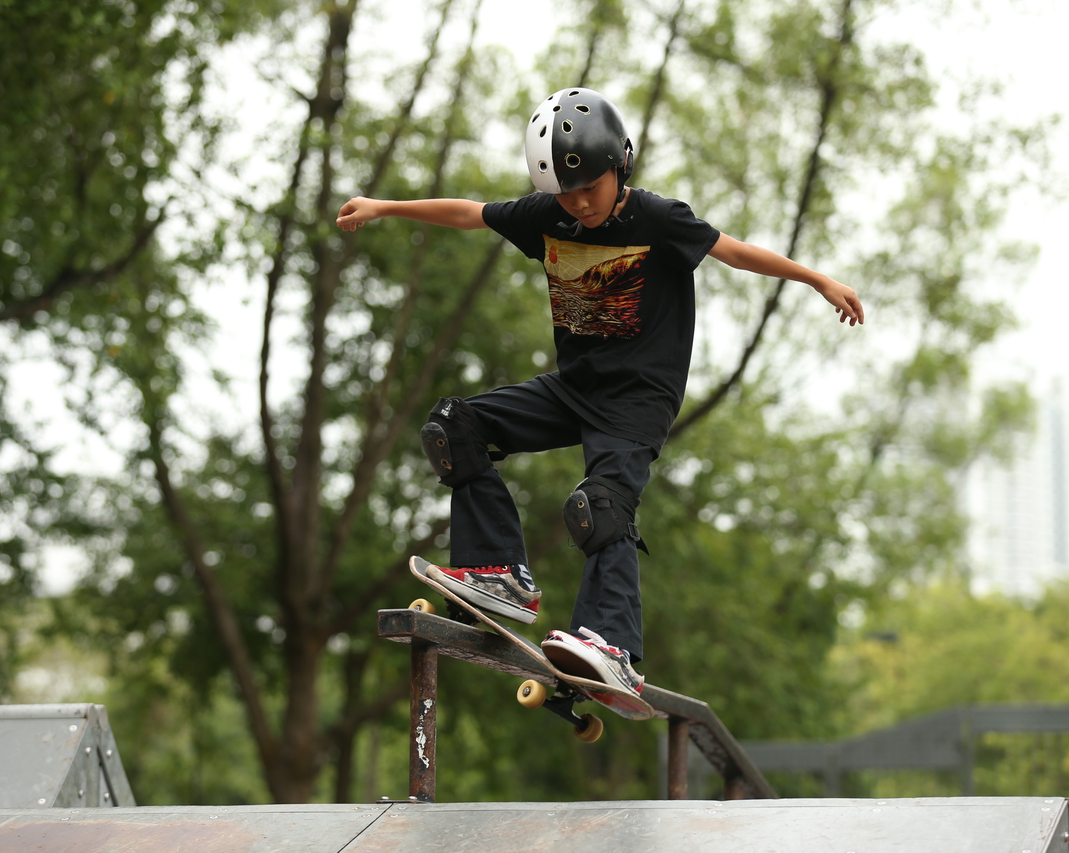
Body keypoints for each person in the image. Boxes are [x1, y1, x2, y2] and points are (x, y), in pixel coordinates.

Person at [336, 87, 862, 706]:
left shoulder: (660, 219)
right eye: (567, 193)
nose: (580, 203)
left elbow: (737, 253)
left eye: (592, 187)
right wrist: (384, 206)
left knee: (600, 506)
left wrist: (817, 279)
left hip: (639, 399)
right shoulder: (547, 217)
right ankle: (498, 573)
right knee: (456, 427)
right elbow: (469, 213)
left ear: (622, 166)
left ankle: (611, 643)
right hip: (574, 389)